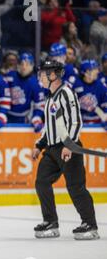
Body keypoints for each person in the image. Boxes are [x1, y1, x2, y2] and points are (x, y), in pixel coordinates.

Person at [32, 59, 99, 241]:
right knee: (42, 182)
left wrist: (69, 144)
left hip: (69, 148)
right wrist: (40, 145)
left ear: (53, 75)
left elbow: (76, 121)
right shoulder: (50, 97)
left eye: (43, 73)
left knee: (76, 187)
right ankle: (51, 222)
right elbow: (51, 125)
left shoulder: (67, 93)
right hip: (53, 150)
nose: (40, 77)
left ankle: (90, 224)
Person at [4, 53, 45, 132]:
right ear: (18, 65)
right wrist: (0, 114)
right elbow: (1, 96)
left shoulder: (36, 83)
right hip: (6, 117)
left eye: (27, 64)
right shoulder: (9, 77)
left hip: (24, 119)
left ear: (32, 66)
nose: (24, 67)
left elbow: (39, 106)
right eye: (22, 64)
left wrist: (36, 118)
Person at [73, 59, 107, 128]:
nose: (98, 71)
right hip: (81, 125)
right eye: (95, 69)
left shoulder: (101, 86)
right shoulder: (76, 85)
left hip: (98, 125)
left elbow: (105, 106)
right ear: (86, 72)